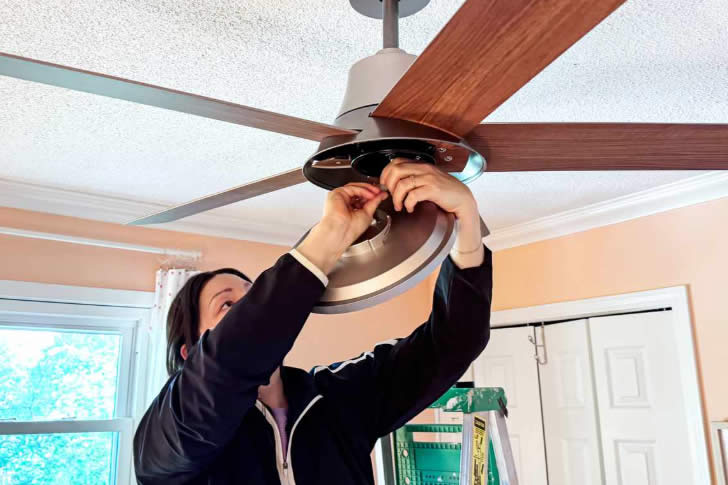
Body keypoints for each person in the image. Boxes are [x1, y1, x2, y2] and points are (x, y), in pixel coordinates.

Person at [133, 159, 493, 484]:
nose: (249, 308)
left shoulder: (337, 396)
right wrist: (328, 236)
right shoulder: (168, 438)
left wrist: (466, 217)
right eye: (228, 305)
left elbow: (453, 342)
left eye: (253, 294)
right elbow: (225, 365)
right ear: (189, 350)